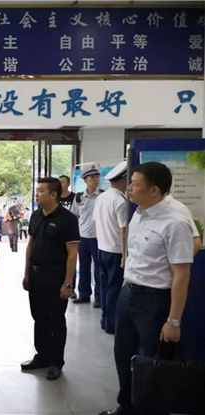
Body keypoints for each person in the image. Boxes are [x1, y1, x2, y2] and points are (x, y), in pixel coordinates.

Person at [100, 162, 194, 415]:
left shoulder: (175, 221)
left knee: (155, 361)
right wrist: (126, 281)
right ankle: (126, 405)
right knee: (123, 353)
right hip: (129, 293)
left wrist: (173, 321)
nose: (129, 188)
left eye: (135, 184)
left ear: (154, 190)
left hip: (155, 299)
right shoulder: (139, 213)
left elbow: (182, 275)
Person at [21, 178, 80, 381]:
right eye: (36, 190)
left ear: (54, 194)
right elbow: (30, 245)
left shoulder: (67, 219)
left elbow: (72, 253)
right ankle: (42, 356)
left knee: (55, 319)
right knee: (39, 318)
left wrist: (68, 283)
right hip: (36, 275)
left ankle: (56, 362)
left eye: (41, 191)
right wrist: (26, 273)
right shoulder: (36, 215)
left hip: (56, 277)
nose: (37, 194)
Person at [93, 161, 128, 335]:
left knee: (105, 286)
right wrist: (125, 255)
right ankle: (111, 324)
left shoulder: (101, 197)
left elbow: (94, 223)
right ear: (122, 181)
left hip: (102, 248)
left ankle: (105, 319)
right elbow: (123, 230)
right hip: (115, 251)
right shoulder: (120, 200)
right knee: (114, 288)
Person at [71, 165, 102, 307]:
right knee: (83, 267)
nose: (95, 179)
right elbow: (75, 216)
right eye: (92, 177)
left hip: (98, 237)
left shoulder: (102, 196)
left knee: (99, 268)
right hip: (83, 237)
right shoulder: (78, 197)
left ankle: (99, 296)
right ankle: (84, 294)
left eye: (97, 177)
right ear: (85, 180)